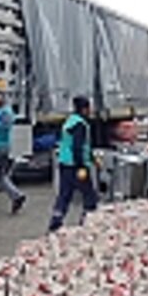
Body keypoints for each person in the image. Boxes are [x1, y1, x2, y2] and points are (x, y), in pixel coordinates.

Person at [48, 96, 98, 232]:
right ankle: (87, 222)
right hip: (76, 165)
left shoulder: (69, 121)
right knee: (89, 195)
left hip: (64, 163)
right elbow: (78, 147)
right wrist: (82, 165)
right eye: (89, 108)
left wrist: (93, 158)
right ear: (84, 109)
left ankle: (55, 221)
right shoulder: (80, 124)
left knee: (64, 194)